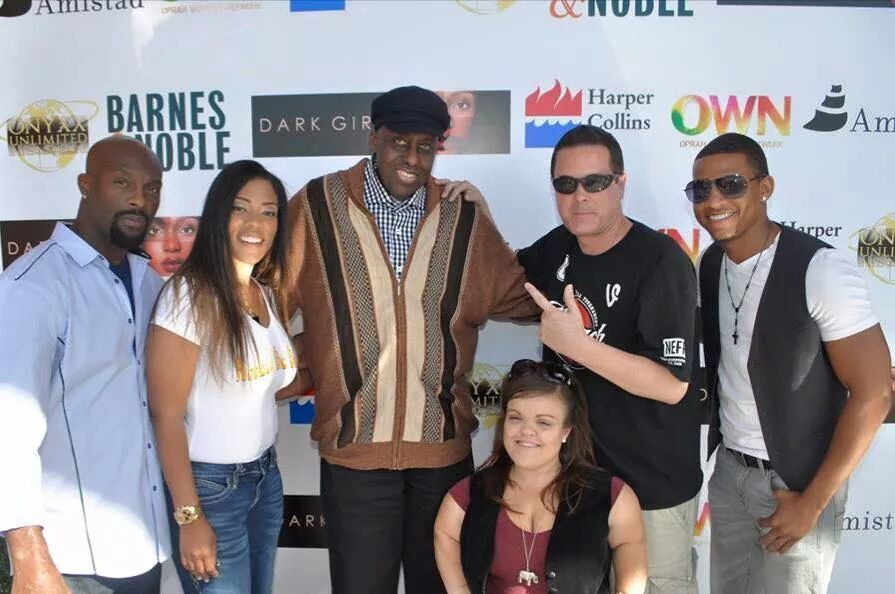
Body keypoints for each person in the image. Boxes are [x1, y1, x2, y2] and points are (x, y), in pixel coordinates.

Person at [279, 84, 538, 594]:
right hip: (354, 458)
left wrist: (489, 219)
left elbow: (524, 297)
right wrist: (301, 364)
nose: (413, 158)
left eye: (427, 145)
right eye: (400, 142)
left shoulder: (461, 216)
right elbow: (266, 306)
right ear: (374, 137)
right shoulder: (315, 207)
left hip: (442, 460)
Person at [689, 132, 892, 594]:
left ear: (766, 187)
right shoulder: (711, 264)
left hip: (798, 482)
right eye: (701, 189)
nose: (714, 199)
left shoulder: (820, 269)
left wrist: (813, 503)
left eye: (731, 184)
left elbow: (874, 392)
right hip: (730, 474)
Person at [517, 125, 703, 594]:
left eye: (596, 182)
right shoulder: (555, 248)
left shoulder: (660, 261)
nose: (580, 197)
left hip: (650, 490)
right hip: (577, 484)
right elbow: (498, 280)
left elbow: (671, 384)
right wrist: (470, 210)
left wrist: (579, 346)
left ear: (621, 183)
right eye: (566, 184)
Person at [0, 135, 170, 593]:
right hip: (69, 557)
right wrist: (27, 554)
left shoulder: (148, 282)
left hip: (143, 540)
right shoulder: (31, 287)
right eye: (122, 182)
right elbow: (7, 428)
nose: (140, 198)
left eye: (152, 188)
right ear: (84, 184)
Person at [147, 160, 301, 594]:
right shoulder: (188, 295)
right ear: (218, 215)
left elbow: (263, 385)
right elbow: (166, 415)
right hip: (211, 490)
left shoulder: (264, 292)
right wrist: (189, 517)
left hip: (264, 478)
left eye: (269, 212)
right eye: (241, 208)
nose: (256, 223)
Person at [434, 359, 648, 594]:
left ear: (566, 431)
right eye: (515, 418)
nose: (526, 431)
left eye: (544, 422)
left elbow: (630, 544)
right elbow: (444, 534)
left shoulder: (613, 496)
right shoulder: (469, 493)